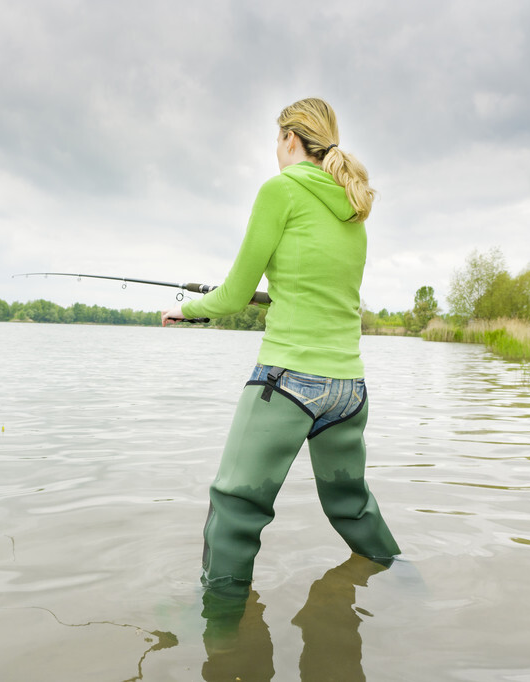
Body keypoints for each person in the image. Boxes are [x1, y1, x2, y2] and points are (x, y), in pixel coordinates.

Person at [162, 97, 401, 596]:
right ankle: (406, 586)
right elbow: (325, 293)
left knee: (234, 509)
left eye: (277, 140)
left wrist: (184, 310)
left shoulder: (281, 191)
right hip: (349, 389)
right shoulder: (354, 207)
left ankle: (222, 634)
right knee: (351, 506)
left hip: (288, 382)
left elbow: (228, 297)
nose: (276, 150)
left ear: (291, 139)